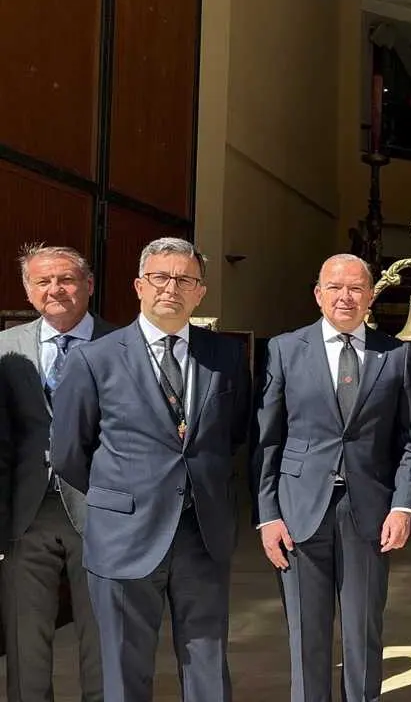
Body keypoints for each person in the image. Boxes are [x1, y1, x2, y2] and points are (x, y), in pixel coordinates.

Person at [50, 237, 251, 702]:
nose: (171, 288)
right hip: (124, 534)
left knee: (206, 661)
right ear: (139, 285)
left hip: (202, 533)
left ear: (201, 292)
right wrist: (122, 496)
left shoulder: (225, 357)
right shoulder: (93, 358)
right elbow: (68, 453)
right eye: (160, 277)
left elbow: (233, 433)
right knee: (123, 666)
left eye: (184, 279)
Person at [253, 254, 411, 702]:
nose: (345, 297)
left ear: (370, 296)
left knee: (363, 631)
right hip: (298, 510)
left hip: (368, 512)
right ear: (318, 294)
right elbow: (268, 441)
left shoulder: (397, 354)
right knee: (306, 635)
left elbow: (409, 440)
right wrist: (267, 515)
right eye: (335, 287)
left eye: (355, 289)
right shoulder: (286, 350)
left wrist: (403, 505)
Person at [0, 244, 111, 701]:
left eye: (66, 279)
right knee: (25, 638)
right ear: (28, 291)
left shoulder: (121, 344)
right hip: (25, 513)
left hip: (101, 510)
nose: (55, 290)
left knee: (103, 634)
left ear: (87, 284)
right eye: (42, 282)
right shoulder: (5, 348)